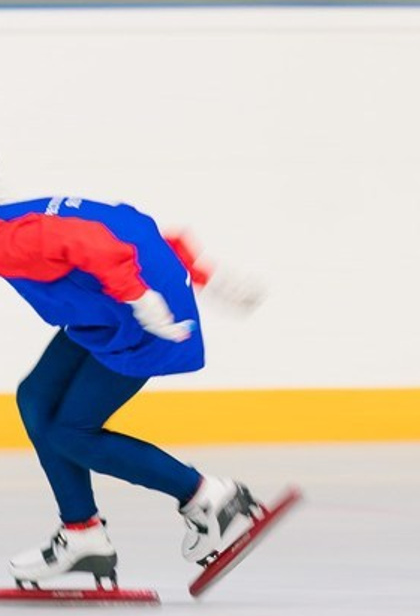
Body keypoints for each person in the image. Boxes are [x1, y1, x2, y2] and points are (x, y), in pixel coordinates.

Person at [0, 194, 264, 588]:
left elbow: (96, 243)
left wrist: (139, 296)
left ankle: (206, 496)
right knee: (37, 398)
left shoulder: (11, 239)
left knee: (71, 433)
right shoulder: (16, 218)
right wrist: (203, 274)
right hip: (114, 308)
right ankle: (82, 535)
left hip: (143, 315)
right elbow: (129, 225)